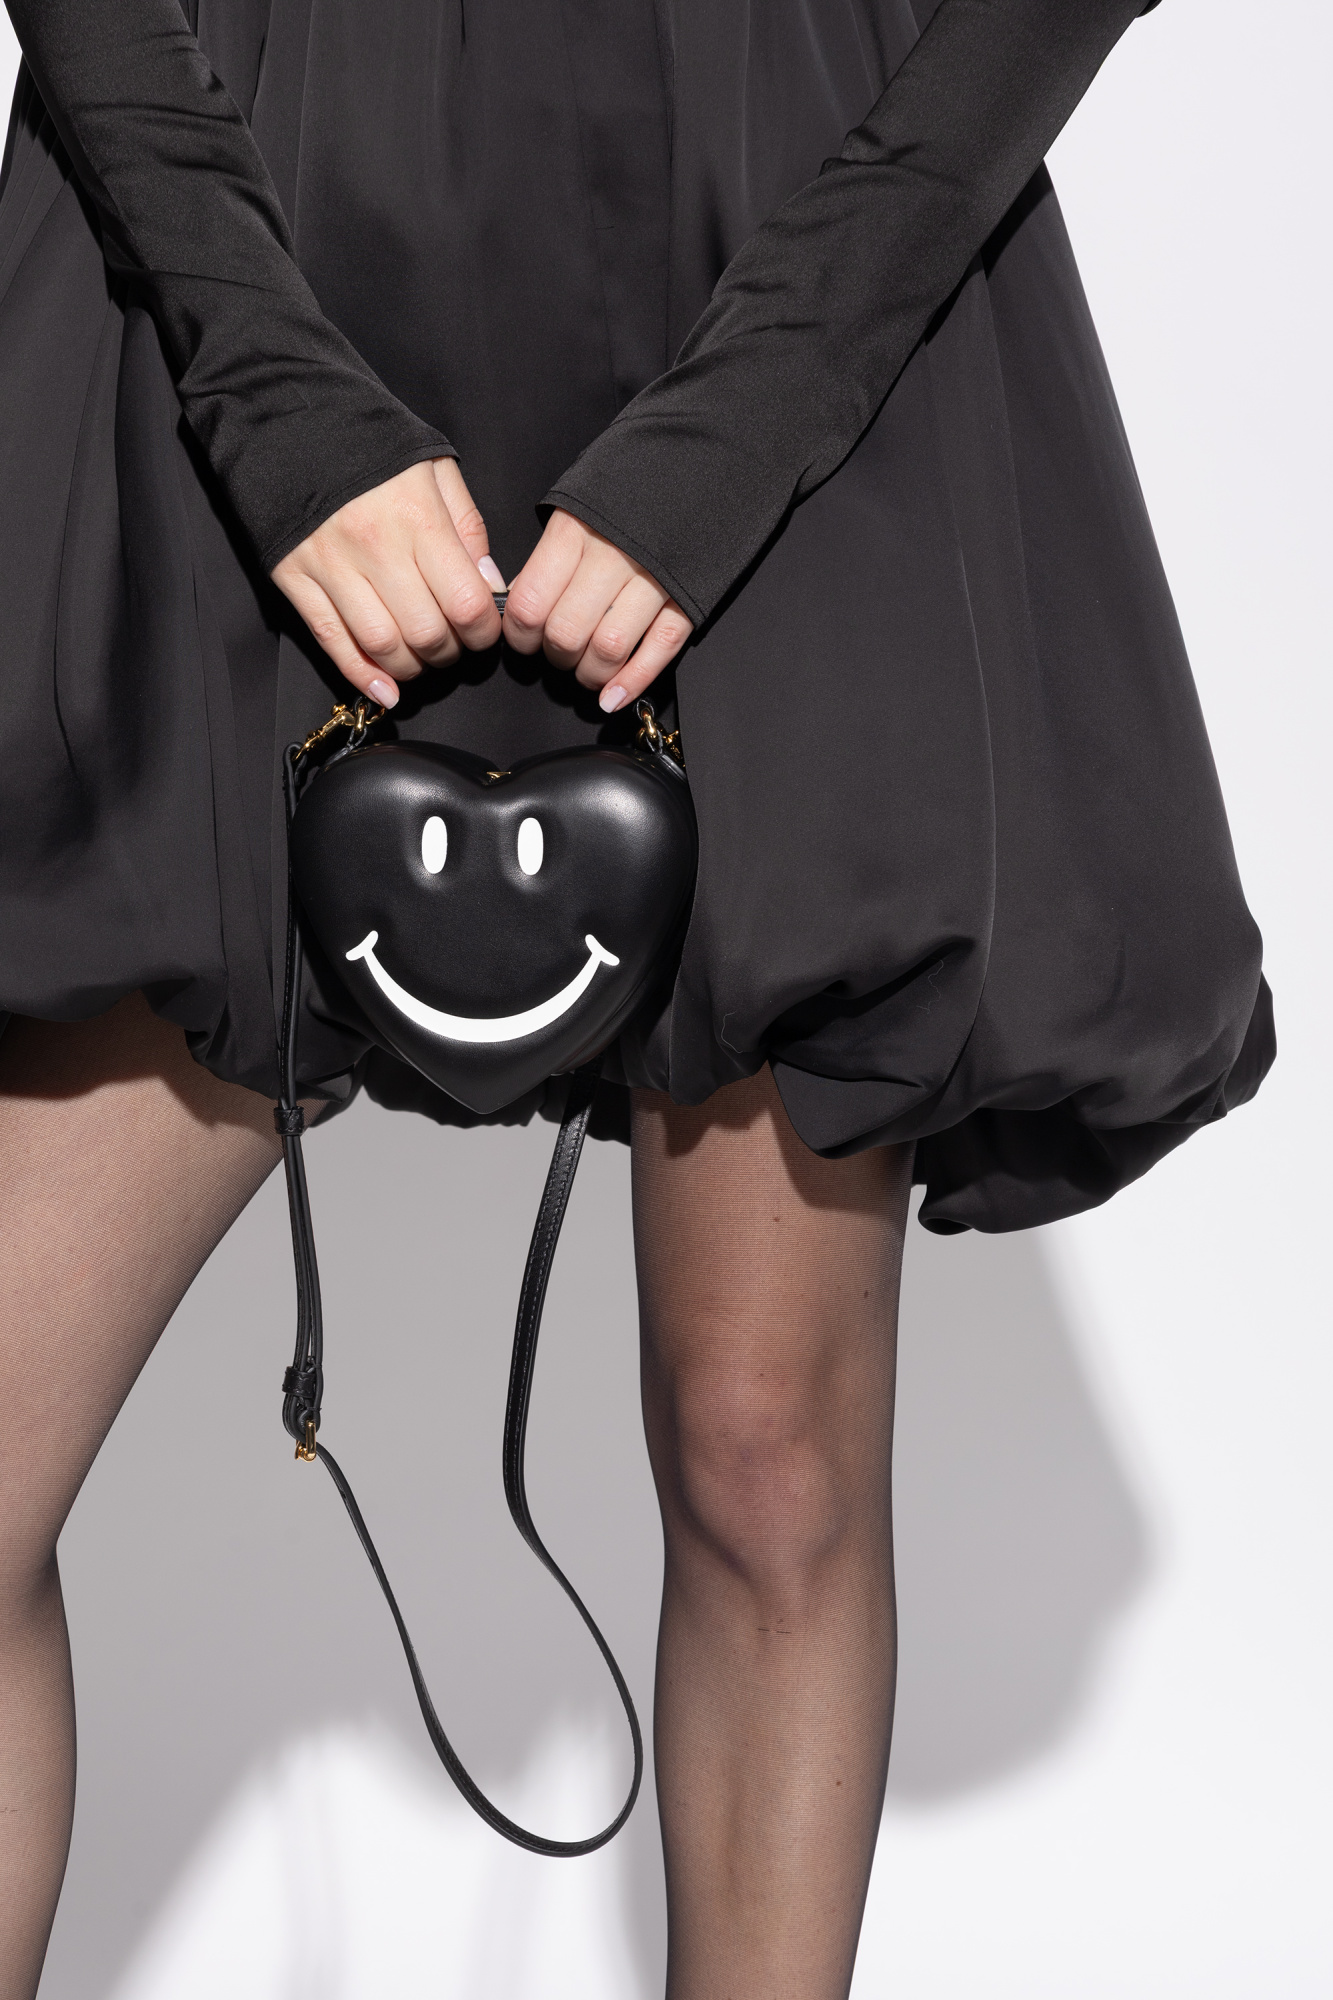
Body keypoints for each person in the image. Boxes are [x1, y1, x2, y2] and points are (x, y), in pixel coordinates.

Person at [0, 0, 1272, 1993]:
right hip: (261, 220)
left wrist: (752, 416)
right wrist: (263, 378)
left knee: (770, 1461)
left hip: (796, 242)